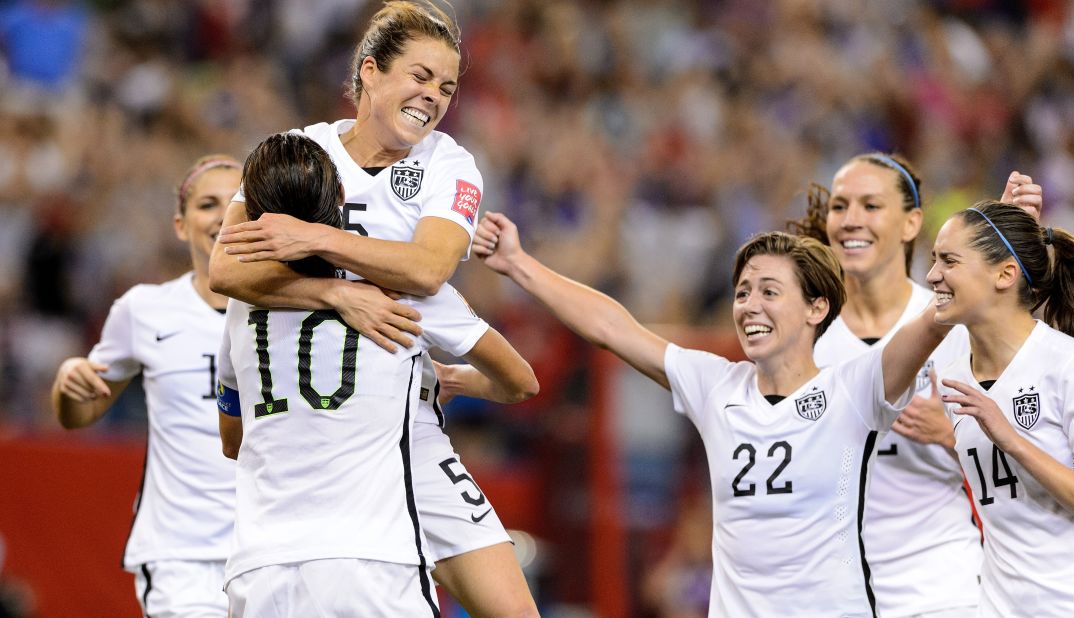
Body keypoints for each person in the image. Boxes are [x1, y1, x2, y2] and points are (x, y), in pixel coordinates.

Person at [207, 3, 540, 614]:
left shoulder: (447, 161)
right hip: (337, 450)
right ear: (370, 73)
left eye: (447, 86)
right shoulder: (297, 155)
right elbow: (225, 270)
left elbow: (427, 268)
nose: (434, 96)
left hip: (404, 429)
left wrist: (317, 243)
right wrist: (335, 292)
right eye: (419, 76)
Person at [475, 212, 953, 616]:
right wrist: (519, 265)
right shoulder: (716, 384)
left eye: (769, 291)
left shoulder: (852, 387)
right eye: (742, 292)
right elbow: (611, 327)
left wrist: (997, 236)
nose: (749, 306)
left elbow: (934, 320)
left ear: (816, 308)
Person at [788, 153, 1045, 617]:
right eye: (840, 206)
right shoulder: (806, 335)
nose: (851, 221)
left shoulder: (962, 322)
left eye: (871, 206)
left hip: (943, 591)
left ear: (912, 223)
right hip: (835, 596)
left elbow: (1037, 454)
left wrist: (951, 437)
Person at [49, 155, 243, 617]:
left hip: (271, 550)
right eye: (207, 204)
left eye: (237, 202)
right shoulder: (144, 310)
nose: (222, 215)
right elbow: (79, 415)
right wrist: (66, 383)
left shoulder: (292, 312)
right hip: (182, 556)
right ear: (181, 225)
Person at [928, 200, 1074, 616]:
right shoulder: (951, 375)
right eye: (934, 260)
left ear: (1005, 274)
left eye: (949, 260)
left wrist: (1014, 442)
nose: (933, 275)